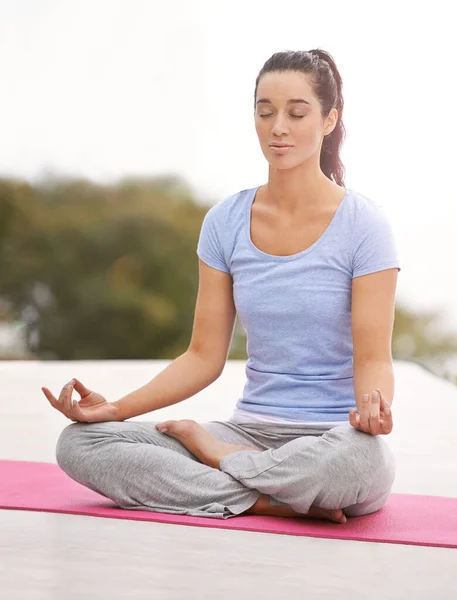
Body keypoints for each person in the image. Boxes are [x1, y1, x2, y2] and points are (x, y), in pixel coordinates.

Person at [42, 49, 400, 525]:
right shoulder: (225, 222)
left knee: (362, 464)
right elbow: (202, 356)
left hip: (330, 439)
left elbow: (373, 359)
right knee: (81, 444)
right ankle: (265, 497)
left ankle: (225, 470)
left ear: (330, 119)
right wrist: (114, 409)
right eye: (265, 111)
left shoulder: (365, 225)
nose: (278, 127)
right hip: (247, 430)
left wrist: (373, 411)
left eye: (296, 113)